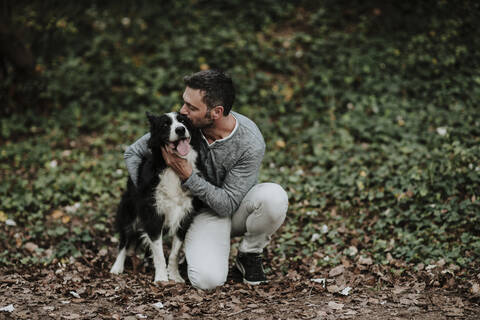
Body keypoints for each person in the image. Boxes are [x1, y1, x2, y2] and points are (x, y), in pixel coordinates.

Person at [124, 69, 288, 290]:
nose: (183, 111)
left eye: (191, 107)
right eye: (184, 102)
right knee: (207, 281)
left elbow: (227, 204)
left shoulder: (250, 141)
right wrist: (146, 195)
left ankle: (249, 253)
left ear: (216, 112)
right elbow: (132, 153)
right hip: (198, 214)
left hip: (235, 206)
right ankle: (202, 248)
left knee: (273, 197)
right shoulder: (184, 125)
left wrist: (187, 175)